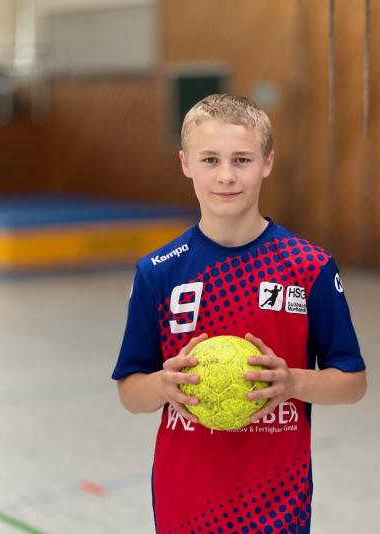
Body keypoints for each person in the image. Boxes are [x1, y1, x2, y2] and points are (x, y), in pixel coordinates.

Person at [112, 94, 366, 534]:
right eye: (210, 159)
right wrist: (162, 385)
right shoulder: (158, 272)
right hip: (185, 504)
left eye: (242, 160)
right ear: (186, 163)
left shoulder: (309, 267)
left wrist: (292, 382)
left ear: (267, 162)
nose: (226, 176)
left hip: (277, 506)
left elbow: (353, 383)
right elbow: (130, 393)